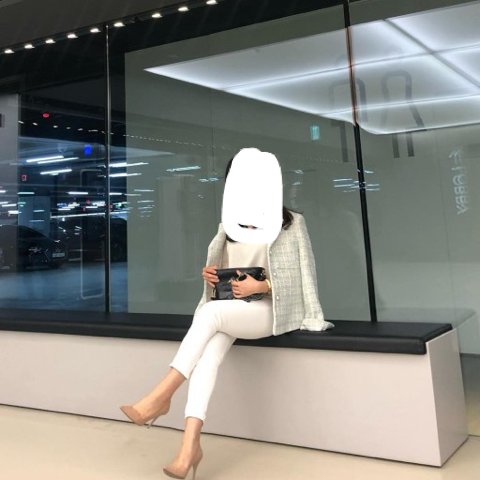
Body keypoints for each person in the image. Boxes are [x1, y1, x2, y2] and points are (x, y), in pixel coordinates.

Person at [120, 151, 333, 480]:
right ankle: (189, 447)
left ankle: (161, 396)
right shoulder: (229, 225)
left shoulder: (292, 222)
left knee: (211, 314)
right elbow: (227, 271)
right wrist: (212, 274)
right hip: (234, 309)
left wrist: (263, 285)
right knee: (207, 357)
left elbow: (304, 276)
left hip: (269, 311)